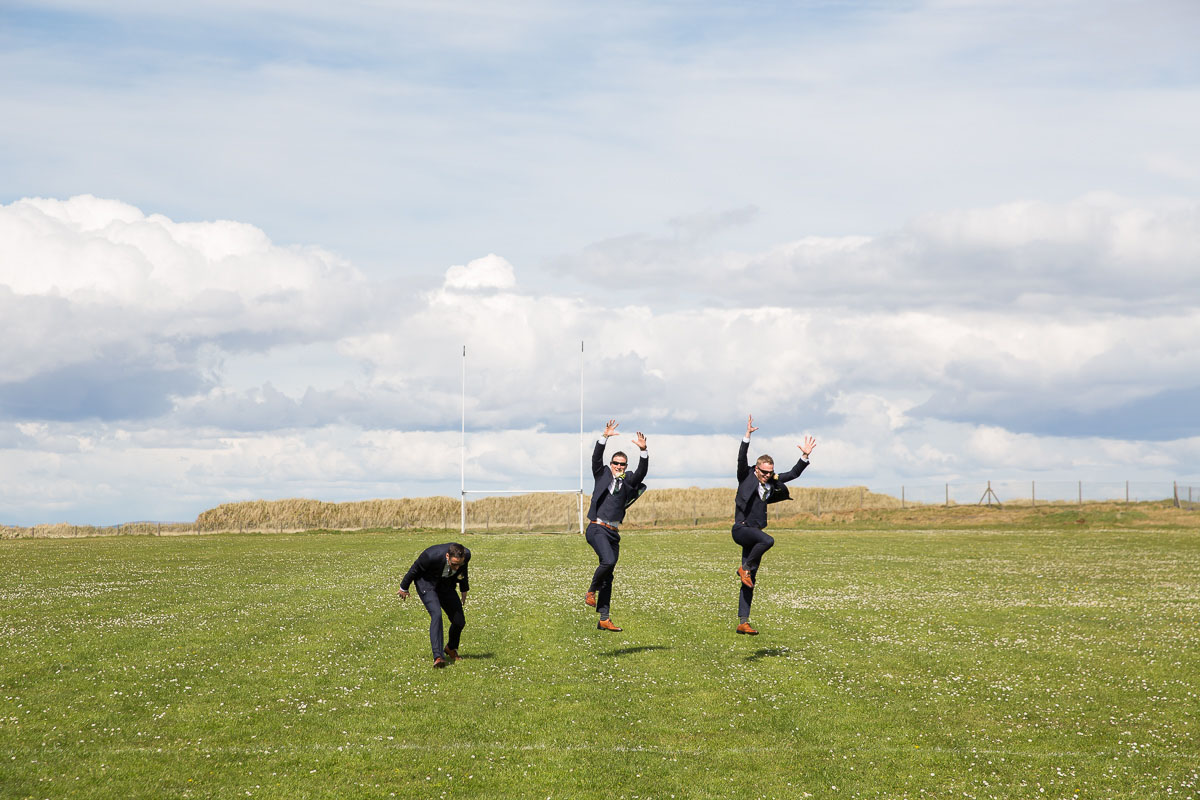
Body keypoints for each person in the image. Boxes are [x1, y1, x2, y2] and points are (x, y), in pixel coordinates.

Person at [732, 415, 816, 635]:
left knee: (750, 581)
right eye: (764, 472)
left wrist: (805, 455)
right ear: (757, 469)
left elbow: (794, 473)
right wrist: (747, 436)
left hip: (755, 533)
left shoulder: (771, 481)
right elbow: (742, 458)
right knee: (768, 541)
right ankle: (744, 568)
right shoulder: (746, 476)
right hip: (741, 529)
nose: (767, 475)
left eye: (770, 472)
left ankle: (743, 621)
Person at [583, 419, 648, 632]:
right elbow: (595, 458)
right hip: (597, 528)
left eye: (622, 464)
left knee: (609, 574)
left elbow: (641, 473)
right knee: (608, 561)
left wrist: (644, 451)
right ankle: (591, 591)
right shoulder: (602, 475)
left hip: (613, 532)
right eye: (616, 463)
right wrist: (604, 437)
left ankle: (604, 618)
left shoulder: (628, 481)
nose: (618, 466)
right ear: (611, 464)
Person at [397, 542, 471, 668]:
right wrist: (404, 587)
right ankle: (438, 657)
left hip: (446, 585)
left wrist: (464, 588)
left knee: (459, 621)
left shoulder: (466, 555)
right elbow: (414, 569)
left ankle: (450, 648)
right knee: (436, 614)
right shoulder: (431, 555)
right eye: (454, 564)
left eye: (459, 564)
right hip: (426, 583)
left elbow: (463, 571)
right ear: (447, 556)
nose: (456, 567)